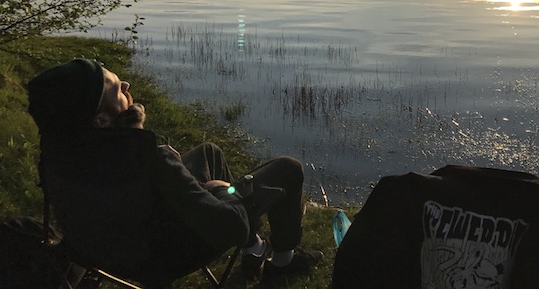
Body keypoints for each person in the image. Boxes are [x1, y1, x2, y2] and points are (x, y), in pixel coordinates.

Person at [27, 58, 322, 288]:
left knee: (210, 152)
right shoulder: (151, 160)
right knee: (288, 168)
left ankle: (254, 248)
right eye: (117, 88)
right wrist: (220, 190)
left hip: (101, 250)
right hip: (168, 254)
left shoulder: (61, 152)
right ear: (102, 120)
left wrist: (155, 157)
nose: (127, 85)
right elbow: (230, 226)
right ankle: (281, 260)